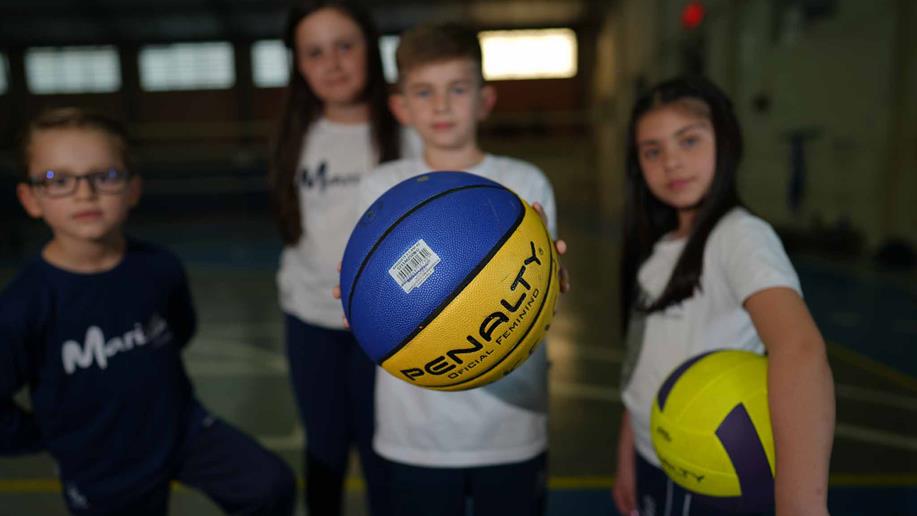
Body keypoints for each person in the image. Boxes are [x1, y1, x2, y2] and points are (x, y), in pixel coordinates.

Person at [0, 107, 296, 515]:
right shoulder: (23, 306)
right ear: (30, 199)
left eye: (104, 176)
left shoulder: (158, 267)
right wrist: (46, 435)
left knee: (269, 485)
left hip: (182, 428)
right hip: (103, 462)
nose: (85, 193)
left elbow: (180, 329)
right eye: (59, 180)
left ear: (133, 189)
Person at [351, 22, 569, 516]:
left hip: (512, 428)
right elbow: (365, 290)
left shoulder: (523, 182)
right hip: (415, 433)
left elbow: (542, 289)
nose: (442, 105)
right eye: (424, 92)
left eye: (458, 89)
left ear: (485, 100)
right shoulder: (381, 189)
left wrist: (554, 287)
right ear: (400, 106)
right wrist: (362, 308)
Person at [612, 76, 835, 516]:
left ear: (726, 142)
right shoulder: (656, 247)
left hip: (712, 474)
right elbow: (642, 361)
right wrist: (628, 454)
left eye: (689, 141)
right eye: (653, 151)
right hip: (654, 456)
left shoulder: (740, 236)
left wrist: (799, 503)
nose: (672, 162)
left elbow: (800, 348)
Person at [267, 2, 413, 515]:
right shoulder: (296, 136)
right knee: (324, 451)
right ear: (299, 65)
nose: (332, 63)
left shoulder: (409, 131)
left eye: (345, 45)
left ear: (372, 50)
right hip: (311, 319)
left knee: (383, 455)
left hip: (390, 325)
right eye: (315, 52)